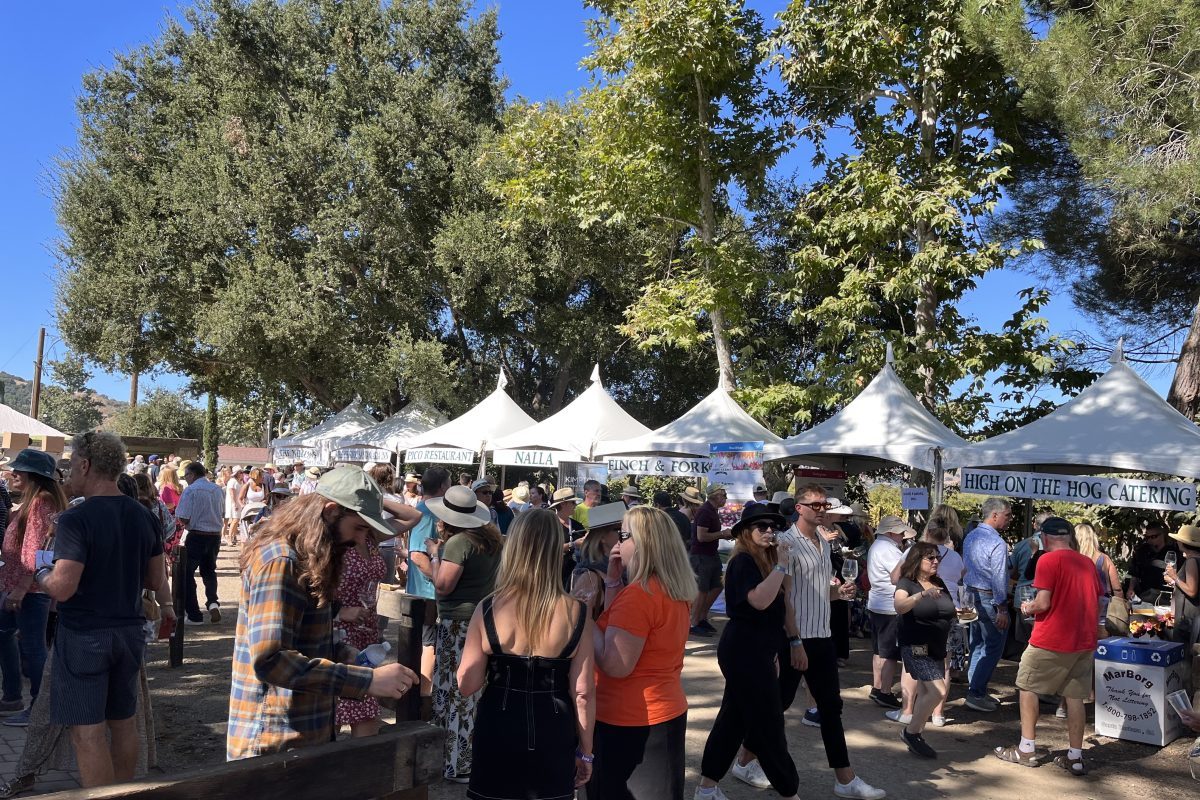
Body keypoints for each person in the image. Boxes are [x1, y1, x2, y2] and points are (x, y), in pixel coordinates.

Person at [226, 466, 417, 760]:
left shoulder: (306, 558)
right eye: (359, 527)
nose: (359, 540)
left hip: (301, 735)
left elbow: (300, 637)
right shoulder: (282, 561)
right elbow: (271, 659)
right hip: (273, 741)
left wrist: (343, 653)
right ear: (330, 512)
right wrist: (366, 681)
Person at [33, 431, 164, 788]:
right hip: (129, 633)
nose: (68, 474)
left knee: (87, 732)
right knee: (123, 723)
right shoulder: (144, 515)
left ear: (86, 465)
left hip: (85, 635)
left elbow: (62, 587)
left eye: (72, 465)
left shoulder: (76, 519)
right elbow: (155, 580)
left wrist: (40, 570)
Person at [736, 486, 885, 800]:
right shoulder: (785, 543)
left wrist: (838, 594)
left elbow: (818, 593)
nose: (821, 508)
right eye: (814, 504)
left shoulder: (822, 542)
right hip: (796, 638)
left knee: (830, 708)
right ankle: (743, 760)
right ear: (799, 508)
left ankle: (845, 779)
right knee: (777, 706)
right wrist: (794, 641)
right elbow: (786, 598)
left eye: (824, 504)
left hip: (822, 637)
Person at [457, 509, 595, 800]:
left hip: (499, 723)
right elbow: (583, 692)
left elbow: (466, 684)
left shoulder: (487, 608)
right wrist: (587, 751)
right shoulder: (577, 612)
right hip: (554, 726)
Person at [694, 504, 801, 800]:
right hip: (743, 650)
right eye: (761, 527)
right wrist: (781, 565)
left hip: (759, 650)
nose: (769, 531)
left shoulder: (766, 563)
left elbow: (781, 606)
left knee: (734, 719)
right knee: (769, 723)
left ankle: (707, 787)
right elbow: (759, 602)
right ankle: (790, 792)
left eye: (773, 527)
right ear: (744, 532)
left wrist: (787, 644)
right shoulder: (743, 562)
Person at [588, 506, 695, 800]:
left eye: (624, 535)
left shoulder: (640, 595)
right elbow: (616, 627)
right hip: (661, 712)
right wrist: (613, 582)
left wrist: (582, 618)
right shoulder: (670, 588)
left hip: (631, 720)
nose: (618, 544)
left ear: (645, 542)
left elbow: (615, 663)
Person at [994, 516, 1101, 776]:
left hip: (1051, 638)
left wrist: (1028, 607)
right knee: (1075, 696)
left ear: (1044, 537)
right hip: (1084, 639)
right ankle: (1075, 756)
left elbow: (1042, 603)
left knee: (1027, 686)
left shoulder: (1047, 560)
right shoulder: (1087, 562)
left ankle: (1026, 748)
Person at [424, 484, 504, 782]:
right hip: (482, 621)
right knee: (471, 694)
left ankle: (456, 764)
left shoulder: (458, 543)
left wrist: (434, 555)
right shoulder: (489, 541)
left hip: (457, 623)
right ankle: (463, 759)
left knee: (454, 693)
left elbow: (444, 585)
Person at [0, 450, 66, 724]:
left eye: (19, 470)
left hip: (28, 590)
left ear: (34, 475)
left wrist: (20, 588)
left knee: (33, 647)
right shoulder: (35, 502)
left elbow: (35, 550)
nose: (12, 473)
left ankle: (39, 709)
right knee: (7, 637)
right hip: (19, 586)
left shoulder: (41, 503)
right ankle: (13, 696)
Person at [892, 542, 956, 759]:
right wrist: (921, 595)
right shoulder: (907, 583)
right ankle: (911, 732)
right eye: (931, 558)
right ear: (918, 560)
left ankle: (915, 733)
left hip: (938, 645)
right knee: (937, 691)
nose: (936, 561)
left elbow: (948, 610)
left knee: (927, 691)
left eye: (938, 557)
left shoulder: (939, 583)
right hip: (917, 644)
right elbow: (900, 607)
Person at [333, 518, 389, 738]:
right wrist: (339, 612)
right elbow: (310, 595)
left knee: (365, 707)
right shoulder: (330, 543)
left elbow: (412, 517)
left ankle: (364, 769)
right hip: (338, 632)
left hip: (366, 630)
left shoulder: (371, 538)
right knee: (333, 705)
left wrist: (376, 498)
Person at [962, 497, 1013, 712]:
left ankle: (975, 689)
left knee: (977, 643)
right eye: (1007, 515)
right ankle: (976, 692)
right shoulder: (997, 543)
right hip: (987, 597)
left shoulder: (970, 536)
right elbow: (999, 577)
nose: (1009, 520)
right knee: (993, 645)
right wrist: (1002, 607)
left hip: (969, 595)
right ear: (995, 515)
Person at [406, 467, 450, 699]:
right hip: (427, 592)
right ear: (443, 487)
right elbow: (416, 555)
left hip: (428, 591)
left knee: (428, 642)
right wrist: (441, 580)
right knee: (428, 644)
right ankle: (424, 697)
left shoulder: (428, 509)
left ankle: (423, 696)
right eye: (449, 484)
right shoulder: (427, 511)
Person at [865, 515, 915, 709]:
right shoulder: (887, 549)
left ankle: (878, 688)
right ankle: (884, 691)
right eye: (901, 532)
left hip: (878, 602)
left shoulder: (878, 546)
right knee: (889, 653)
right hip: (888, 605)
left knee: (879, 650)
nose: (903, 536)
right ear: (892, 532)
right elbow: (899, 574)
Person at [175, 461, 227, 625]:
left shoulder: (191, 490)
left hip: (197, 535)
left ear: (192, 474)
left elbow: (183, 516)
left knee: (187, 574)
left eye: (186, 475)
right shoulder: (217, 489)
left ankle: (194, 614)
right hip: (214, 536)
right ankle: (212, 601)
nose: (185, 478)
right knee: (209, 571)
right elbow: (223, 512)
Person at [570, 502, 626, 621]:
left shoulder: (624, 565)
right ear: (602, 537)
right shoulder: (588, 575)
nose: (625, 534)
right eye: (619, 529)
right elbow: (575, 622)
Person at [689, 486, 729, 637]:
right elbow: (701, 536)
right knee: (702, 590)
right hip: (702, 556)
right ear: (715, 496)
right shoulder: (706, 511)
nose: (725, 497)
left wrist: (723, 535)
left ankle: (701, 617)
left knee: (717, 585)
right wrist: (722, 534)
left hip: (710, 555)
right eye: (723, 495)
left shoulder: (711, 510)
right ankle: (693, 622)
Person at [1007, 512, 1050, 644]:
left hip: (1023, 594)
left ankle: (1025, 662)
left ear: (1034, 525)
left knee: (1026, 638)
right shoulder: (1052, 545)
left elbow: (1012, 571)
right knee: (1043, 634)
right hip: (1046, 594)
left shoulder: (1021, 545)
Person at [1165, 525, 1200, 661]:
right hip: (1194, 619)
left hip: (1189, 621)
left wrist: (1175, 577)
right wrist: (1175, 582)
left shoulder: (1192, 561)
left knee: (1185, 661)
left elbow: (1192, 591)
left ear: (1184, 543)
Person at [1128, 522, 1179, 601]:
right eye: (1147, 537)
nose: (1150, 540)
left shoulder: (1172, 552)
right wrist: (1131, 589)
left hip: (1166, 595)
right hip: (1145, 594)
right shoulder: (1142, 551)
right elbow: (1135, 574)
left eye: (1153, 537)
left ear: (1162, 535)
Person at [551, 487, 585, 589]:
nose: (575, 505)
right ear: (563, 504)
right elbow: (549, 549)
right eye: (573, 502)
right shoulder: (550, 525)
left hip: (575, 575)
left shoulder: (577, 525)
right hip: (554, 575)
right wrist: (573, 544)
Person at [221, 467, 243, 546]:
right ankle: (229, 538)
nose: (242, 474)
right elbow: (231, 493)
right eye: (240, 472)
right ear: (237, 473)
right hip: (233, 503)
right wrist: (234, 504)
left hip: (238, 503)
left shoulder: (239, 481)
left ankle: (233, 537)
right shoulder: (232, 481)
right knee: (234, 521)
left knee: (236, 521)